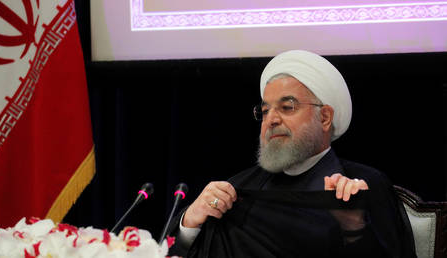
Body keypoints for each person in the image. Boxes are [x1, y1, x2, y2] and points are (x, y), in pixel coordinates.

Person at [168, 50, 416, 257]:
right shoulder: (238, 189)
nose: (271, 120)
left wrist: (354, 227)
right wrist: (190, 222)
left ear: (325, 117)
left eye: (287, 107)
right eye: (264, 111)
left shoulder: (364, 185)